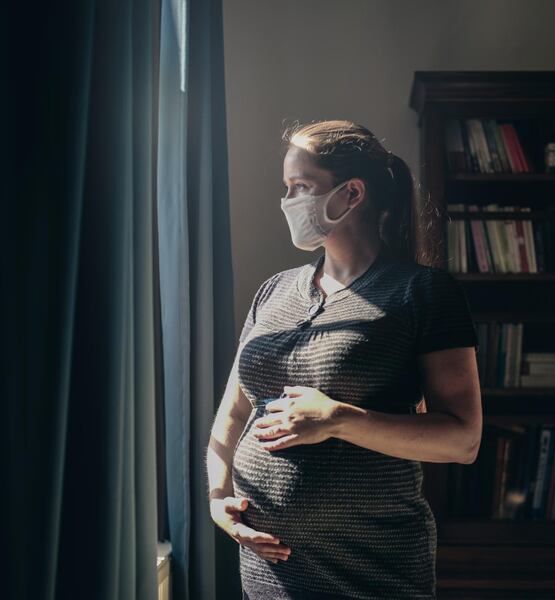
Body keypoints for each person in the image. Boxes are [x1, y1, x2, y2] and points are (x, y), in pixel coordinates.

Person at [207, 120, 482, 600]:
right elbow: (234, 412)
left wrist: (338, 419)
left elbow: (463, 440)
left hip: (371, 575)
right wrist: (217, 497)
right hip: (268, 576)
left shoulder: (422, 293)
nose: (287, 200)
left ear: (352, 193)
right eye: (285, 187)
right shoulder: (272, 292)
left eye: (301, 186)